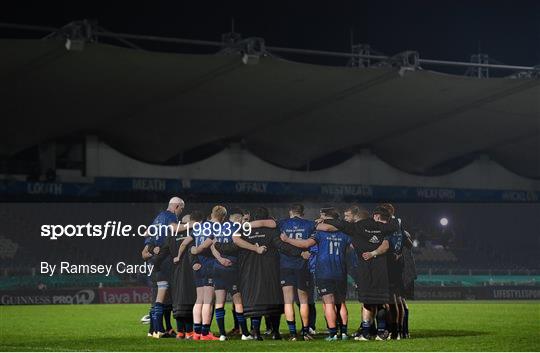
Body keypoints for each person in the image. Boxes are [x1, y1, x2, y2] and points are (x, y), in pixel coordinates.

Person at [214, 207, 304, 341]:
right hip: (270, 272)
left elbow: (233, 247)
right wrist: (300, 253)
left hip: (249, 273)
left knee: (254, 302)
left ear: (253, 218)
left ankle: (255, 332)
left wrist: (218, 245)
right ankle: (275, 332)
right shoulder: (272, 231)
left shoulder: (245, 231)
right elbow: (282, 246)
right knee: (273, 300)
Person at [318, 206, 398, 341]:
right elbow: (389, 237)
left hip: (364, 269)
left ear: (376, 215)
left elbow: (339, 225)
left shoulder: (358, 226)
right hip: (381, 270)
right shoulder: (387, 228)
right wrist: (374, 253)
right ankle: (381, 332)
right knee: (381, 301)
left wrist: (324, 221)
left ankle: (366, 333)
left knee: (367, 302)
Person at [281, 207, 351, 341]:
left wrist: (288, 240)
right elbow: (354, 247)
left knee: (328, 303)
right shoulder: (345, 234)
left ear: (325, 219)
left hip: (324, 271)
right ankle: (344, 333)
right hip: (340, 271)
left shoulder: (319, 233)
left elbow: (306, 243)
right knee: (341, 303)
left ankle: (332, 334)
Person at [141, 197, 186, 339]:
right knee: (162, 296)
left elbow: (146, 234)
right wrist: (193, 225)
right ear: (177, 206)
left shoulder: (158, 217)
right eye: (181, 209)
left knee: (157, 296)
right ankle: (159, 330)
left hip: (153, 263)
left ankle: (152, 330)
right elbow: (174, 228)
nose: (180, 213)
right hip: (164, 261)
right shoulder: (170, 216)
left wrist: (151, 250)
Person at [210, 208, 254, 341]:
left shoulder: (219, 227)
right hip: (231, 268)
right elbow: (237, 242)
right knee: (238, 301)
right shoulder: (237, 227)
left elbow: (212, 245)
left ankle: (222, 334)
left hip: (218, 267)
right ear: (239, 219)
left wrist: (220, 260)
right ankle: (245, 333)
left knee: (219, 302)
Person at [278, 204, 316, 340]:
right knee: (304, 300)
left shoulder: (282, 223)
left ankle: (293, 333)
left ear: (290, 212)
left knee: (288, 300)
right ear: (302, 212)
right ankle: (306, 332)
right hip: (302, 266)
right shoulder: (310, 224)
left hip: (285, 265)